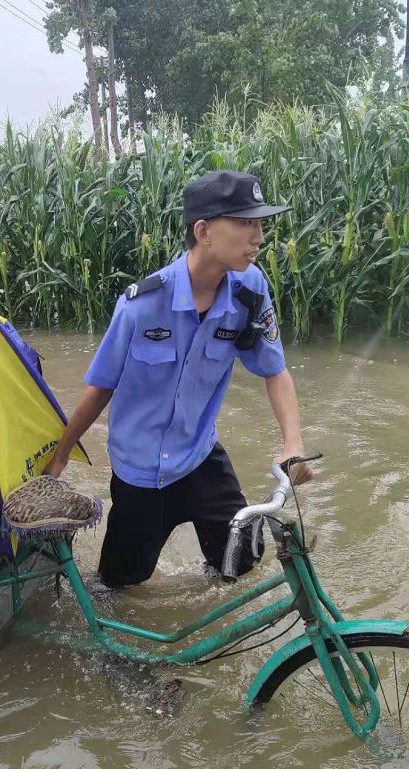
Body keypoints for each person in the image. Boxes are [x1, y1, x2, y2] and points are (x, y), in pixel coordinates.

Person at [45, 170, 312, 588]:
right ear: (204, 231)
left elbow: (275, 371)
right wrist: (61, 454)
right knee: (120, 588)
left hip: (199, 455)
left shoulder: (251, 291)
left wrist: (292, 443)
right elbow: (101, 388)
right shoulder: (142, 306)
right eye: (245, 223)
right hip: (140, 471)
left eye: (261, 224)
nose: (258, 236)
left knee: (240, 562)